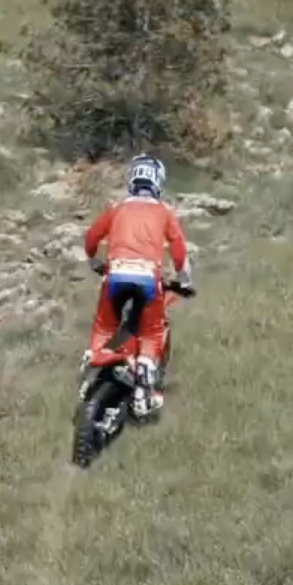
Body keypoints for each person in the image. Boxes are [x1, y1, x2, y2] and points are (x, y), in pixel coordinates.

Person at [80, 155, 192, 419]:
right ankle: (143, 389)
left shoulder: (117, 209)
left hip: (115, 273)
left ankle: (92, 365)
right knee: (152, 332)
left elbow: (91, 238)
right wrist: (186, 280)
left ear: (131, 179)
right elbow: (179, 253)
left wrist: (95, 261)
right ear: (158, 183)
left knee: (105, 325)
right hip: (148, 279)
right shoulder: (163, 212)